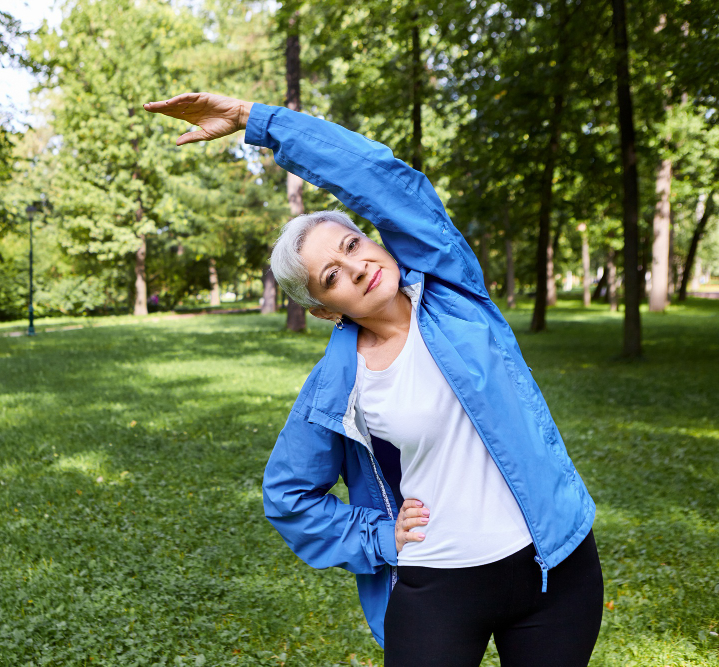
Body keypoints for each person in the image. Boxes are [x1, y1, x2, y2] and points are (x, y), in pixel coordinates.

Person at [144, 93, 603, 667]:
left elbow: (381, 180)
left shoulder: (455, 294)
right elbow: (288, 496)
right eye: (332, 274)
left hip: (553, 570)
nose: (357, 266)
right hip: (437, 583)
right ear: (323, 308)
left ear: (375, 240)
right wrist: (379, 538)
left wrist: (255, 121)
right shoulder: (338, 384)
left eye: (352, 244)